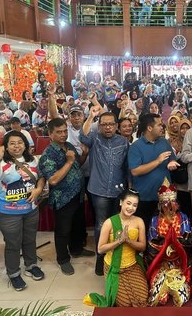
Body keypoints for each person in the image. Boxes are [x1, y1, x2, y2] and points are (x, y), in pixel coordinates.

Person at [0, 131, 45, 291]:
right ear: (5, 146)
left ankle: (31, 265)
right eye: (12, 143)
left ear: (25, 145)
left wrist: (38, 189)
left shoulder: (33, 160)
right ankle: (13, 273)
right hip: (7, 212)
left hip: (30, 209)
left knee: (30, 239)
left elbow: (41, 177)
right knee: (13, 243)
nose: (16, 146)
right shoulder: (0, 162)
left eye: (20, 142)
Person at [38, 118, 93, 276]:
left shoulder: (68, 146)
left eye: (64, 131)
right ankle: (63, 259)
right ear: (50, 134)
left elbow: (77, 165)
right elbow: (53, 179)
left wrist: (84, 155)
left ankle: (76, 249)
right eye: (59, 132)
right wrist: (69, 162)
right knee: (63, 230)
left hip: (77, 194)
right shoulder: (48, 153)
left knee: (77, 225)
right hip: (63, 197)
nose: (63, 135)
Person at [80, 110, 129, 276]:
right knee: (101, 224)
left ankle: (116, 256)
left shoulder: (123, 141)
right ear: (99, 126)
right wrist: (90, 117)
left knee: (117, 224)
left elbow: (126, 166)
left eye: (111, 124)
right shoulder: (94, 138)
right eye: (104, 124)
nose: (108, 127)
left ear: (116, 126)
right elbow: (82, 135)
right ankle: (100, 258)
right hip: (99, 189)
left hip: (118, 189)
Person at [83, 189, 148, 307]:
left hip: (132, 266)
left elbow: (143, 247)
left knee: (142, 299)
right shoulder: (109, 222)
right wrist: (119, 241)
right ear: (121, 203)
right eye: (128, 203)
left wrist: (128, 240)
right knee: (125, 304)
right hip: (114, 267)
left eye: (134, 205)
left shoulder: (139, 222)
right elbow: (100, 249)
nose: (131, 208)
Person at [146, 178, 192, 306]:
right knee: (160, 298)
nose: (169, 205)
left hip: (179, 262)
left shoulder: (183, 218)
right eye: (165, 202)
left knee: (182, 298)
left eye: (172, 201)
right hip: (161, 262)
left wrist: (176, 246)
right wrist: (164, 247)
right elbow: (151, 243)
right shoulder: (155, 220)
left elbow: (188, 241)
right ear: (160, 204)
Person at [128, 113, 179, 230]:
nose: (163, 127)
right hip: (145, 198)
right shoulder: (136, 147)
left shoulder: (164, 142)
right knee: (145, 230)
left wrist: (172, 163)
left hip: (166, 197)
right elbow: (135, 171)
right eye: (159, 125)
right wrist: (158, 161)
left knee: (166, 230)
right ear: (150, 128)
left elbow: (172, 159)